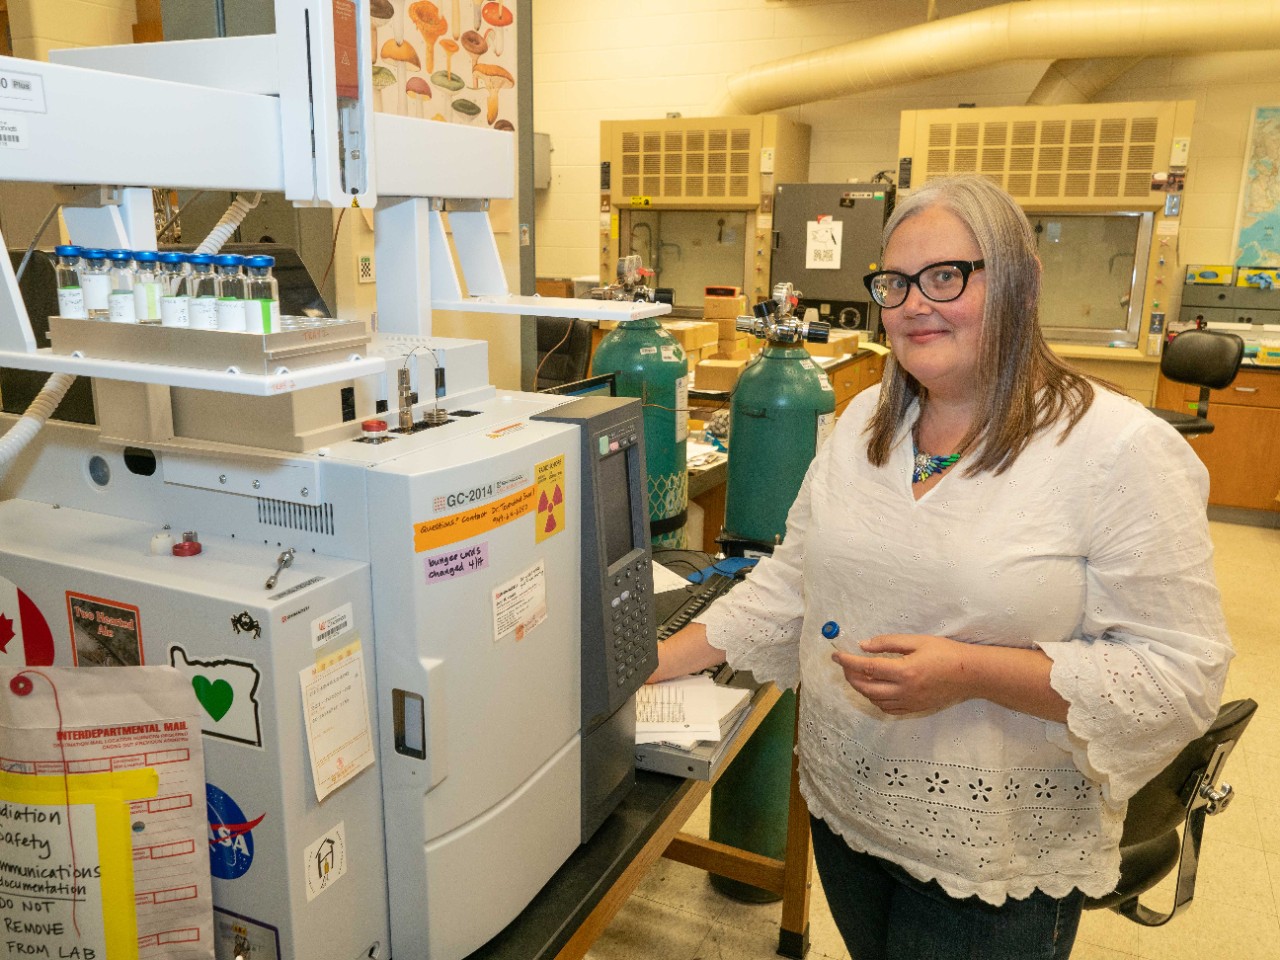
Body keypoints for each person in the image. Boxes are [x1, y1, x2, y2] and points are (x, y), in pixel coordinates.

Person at [650, 174, 1233, 960]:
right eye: (896, 282)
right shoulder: (865, 423)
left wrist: (970, 671)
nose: (915, 303)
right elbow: (793, 582)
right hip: (844, 808)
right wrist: (648, 664)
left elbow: (1180, 675)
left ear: (1020, 286)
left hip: (991, 853)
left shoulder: (1119, 451)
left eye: (947, 275)